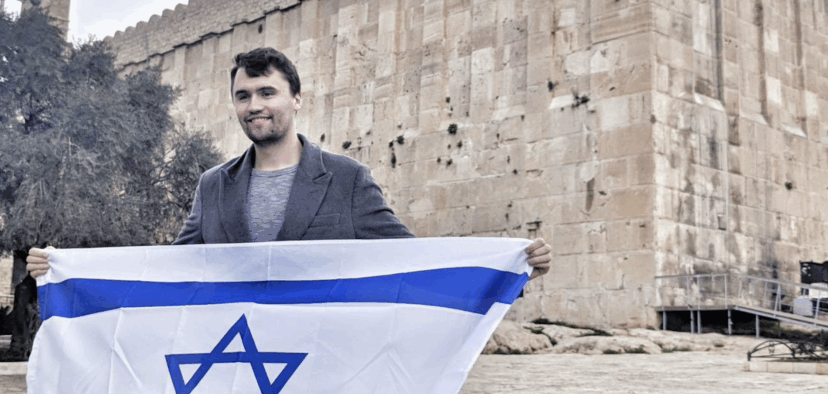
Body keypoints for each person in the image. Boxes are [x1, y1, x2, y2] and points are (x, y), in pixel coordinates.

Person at [27, 47, 552, 278]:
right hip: (232, 362)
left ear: (295, 99)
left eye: (266, 92)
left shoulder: (346, 181)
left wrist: (508, 263)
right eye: (243, 95)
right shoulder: (213, 186)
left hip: (321, 369)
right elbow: (173, 268)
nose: (254, 106)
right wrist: (70, 268)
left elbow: (409, 261)